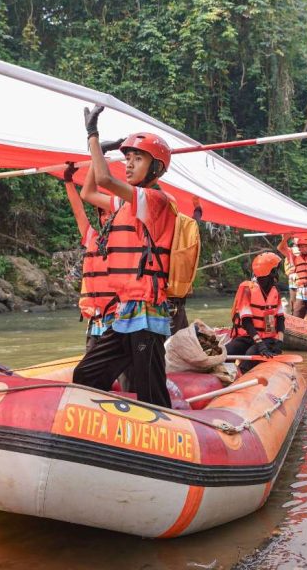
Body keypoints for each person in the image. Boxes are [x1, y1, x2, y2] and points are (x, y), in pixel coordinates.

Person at [72, 105, 177, 408]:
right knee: (86, 374)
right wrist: (99, 156)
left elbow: (105, 181)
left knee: (150, 390)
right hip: (125, 312)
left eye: (137, 158)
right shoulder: (126, 203)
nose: (129, 164)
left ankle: (163, 440)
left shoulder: (155, 200)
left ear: (155, 168)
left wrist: (92, 136)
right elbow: (89, 193)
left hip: (147, 312)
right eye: (127, 158)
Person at [62, 163, 114, 350]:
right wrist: (68, 181)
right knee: (89, 366)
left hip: (118, 317)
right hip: (96, 318)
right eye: (103, 214)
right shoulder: (92, 237)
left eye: (110, 213)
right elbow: (78, 211)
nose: (106, 217)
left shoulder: (128, 239)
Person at [226, 252, 285, 373]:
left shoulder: (275, 291)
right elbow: (246, 322)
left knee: (250, 356)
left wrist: (279, 341)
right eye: (275, 270)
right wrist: (259, 344)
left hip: (267, 339)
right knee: (226, 353)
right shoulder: (247, 289)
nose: (277, 274)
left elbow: (280, 319)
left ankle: (243, 375)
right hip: (247, 336)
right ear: (270, 272)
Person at [166, 196, 203, 334]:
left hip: (173, 298)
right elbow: (195, 222)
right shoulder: (185, 231)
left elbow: (195, 223)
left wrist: (198, 209)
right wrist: (198, 208)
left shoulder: (164, 235)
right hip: (174, 297)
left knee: (180, 336)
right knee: (177, 337)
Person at [278, 235, 307, 322]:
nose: (303, 248)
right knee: (296, 316)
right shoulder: (294, 257)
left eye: (305, 246)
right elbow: (281, 247)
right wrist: (285, 236)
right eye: (301, 246)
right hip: (300, 289)